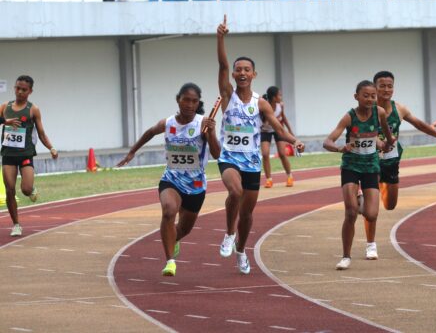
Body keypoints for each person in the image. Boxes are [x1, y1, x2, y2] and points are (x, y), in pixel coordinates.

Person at [217, 15, 304, 274]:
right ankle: (229, 234)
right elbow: (221, 64)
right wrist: (220, 38)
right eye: (238, 70)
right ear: (233, 74)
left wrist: (294, 140)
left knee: (247, 214)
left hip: (252, 163)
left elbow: (277, 129)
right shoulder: (227, 95)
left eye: (247, 70)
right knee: (234, 192)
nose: (242, 73)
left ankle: (242, 251)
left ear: (254, 74)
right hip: (230, 158)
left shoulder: (261, 103)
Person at [117, 83, 220, 276]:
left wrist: (212, 132)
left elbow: (216, 154)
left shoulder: (203, 123)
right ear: (178, 100)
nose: (190, 104)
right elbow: (149, 132)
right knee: (169, 211)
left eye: (194, 101)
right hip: (171, 178)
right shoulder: (169, 123)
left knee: (184, 229)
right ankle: (170, 261)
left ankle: (174, 239)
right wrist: (132, 152)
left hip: (196, 185)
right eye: (186, 100)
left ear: (198, 103)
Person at [323, 80, 394, 270]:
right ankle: (346, 256)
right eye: (366, 95)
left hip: (371, 167)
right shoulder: (349, 117)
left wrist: (387, 144)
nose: (370, 99)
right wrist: (340, 148)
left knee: (371, 214)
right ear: (356, 97)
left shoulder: (379, 113)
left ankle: (360, 198)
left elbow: (385, 137)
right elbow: (327, 141)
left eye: (373, 96)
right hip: (351, 167)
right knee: (351, 212)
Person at [374, 71, 436, 212]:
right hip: (370, 158)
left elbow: (419, 124)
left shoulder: (399, 109)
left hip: (390, 159)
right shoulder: (367, 109)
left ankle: (380, 182)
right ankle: (367, 188)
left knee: (390, 205)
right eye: (382, 86)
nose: (386, 89)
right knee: (371, 207)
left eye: (390, 86)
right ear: (374, 87)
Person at [1, 75, 58, 237]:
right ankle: (16, 224)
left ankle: (31, 188)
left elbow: (41, 133)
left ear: (30, 91)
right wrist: (6, 122)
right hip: (8, 154)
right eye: (17, 88)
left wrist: (51, 148)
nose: (19, 92)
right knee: (10, 190)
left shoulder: (33, 109)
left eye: (23, 90)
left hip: (25, 154)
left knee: (25, 190)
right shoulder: (5, 106)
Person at [261, 86, 295, 188]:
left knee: (282, 153)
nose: (281, 97)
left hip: (278, 130)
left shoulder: (280, 105)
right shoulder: (264, 106)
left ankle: (289, 176)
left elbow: (284, 117)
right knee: (265, 154)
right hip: (265, 130)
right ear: (273, 97)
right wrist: (268, 118)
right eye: (279, 95)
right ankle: (268, 179)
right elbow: (262, 122)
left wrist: (290, 131)